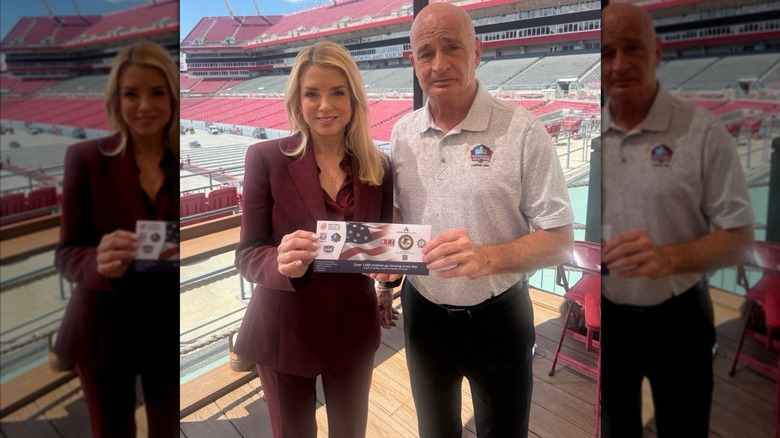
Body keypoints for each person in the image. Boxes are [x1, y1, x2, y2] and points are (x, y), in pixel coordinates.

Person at [389, 3, 575, 437]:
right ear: (412, 61)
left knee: (504, 431)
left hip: (498, 318)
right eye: (426, 52)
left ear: (477, 51)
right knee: (434, 430)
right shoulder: (402, 133)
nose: (440, 64)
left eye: (452, 47)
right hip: (423, 313)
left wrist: (486, 259)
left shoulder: (524, 132)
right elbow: (401, 213)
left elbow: (560, 240)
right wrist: (381, 268)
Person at [600, 4, 755, 437]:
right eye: (606, 52)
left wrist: (668, 258)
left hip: (679, 319)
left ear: (657, 53)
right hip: (612, 316)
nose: (619, 64)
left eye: (632, 48)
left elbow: (741, 238)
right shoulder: (594, 134)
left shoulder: (703, 132)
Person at [231, 41, 394, 437]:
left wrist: (390, 279)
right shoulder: (265, 159)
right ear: (297, 100)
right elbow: (248, 253)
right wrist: (280, 262)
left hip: (354, 331)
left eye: (338, 92)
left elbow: (383, 248)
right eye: (312, 93)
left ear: (354, 100)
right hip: (284, 331)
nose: (325, 105)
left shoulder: (379, 168)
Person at [52, 41, 180, 437]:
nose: (144, 105)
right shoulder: (85, 158)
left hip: (168, 326)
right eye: (132, 94)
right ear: (117, 100)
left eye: (157, 92)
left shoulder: (182, 163)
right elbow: (67, 253)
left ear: (173, 97)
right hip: (103, 328)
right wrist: (97, 261)